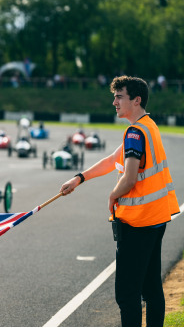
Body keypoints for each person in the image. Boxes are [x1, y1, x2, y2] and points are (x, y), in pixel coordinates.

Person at [60, 75, 180, 327]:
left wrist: (113, 195)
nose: (114, 102)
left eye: (119, 97)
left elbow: (130, 176)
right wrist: (80, 178)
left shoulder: (135, 133)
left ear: (136, 100)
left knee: (127, 294)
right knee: (150, 288)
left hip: (137, 223)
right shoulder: (148, 126)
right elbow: (112, 160)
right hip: (155, 219)